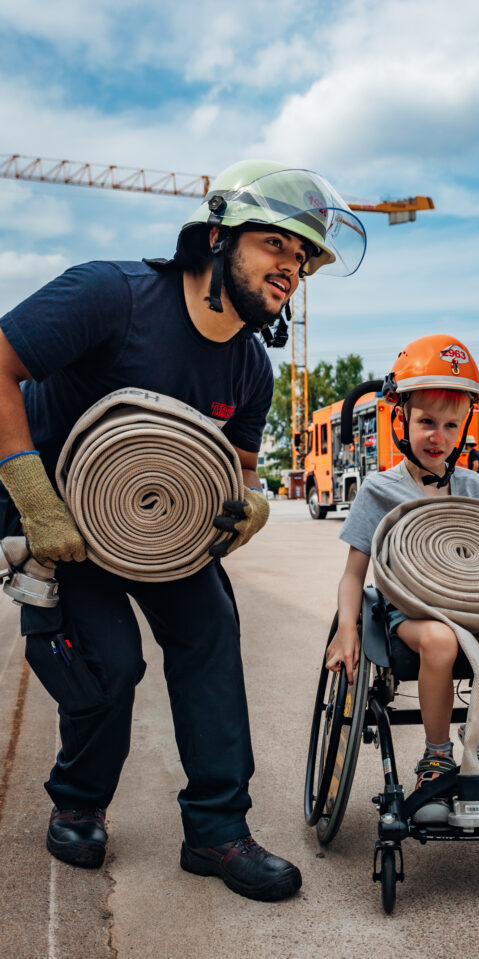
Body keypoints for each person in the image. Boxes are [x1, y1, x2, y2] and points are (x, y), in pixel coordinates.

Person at [0, 159, 366, 902]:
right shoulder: (111, 295)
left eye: (303, 260)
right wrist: (32, 497)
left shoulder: (250, 372)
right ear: (214, 237)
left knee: (209, 633)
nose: (290, 268)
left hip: (160, 527)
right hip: (58, 513)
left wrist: (249, 506)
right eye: (275, 245)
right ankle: (78, 801)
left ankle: (217, 833)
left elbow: (239, 471)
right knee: (109, 664)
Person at [325, 335, 479, 827]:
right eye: (426, 422)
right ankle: (437, 758)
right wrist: (346, 628)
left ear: (463, 427)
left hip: (474, 607)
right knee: (440, 640)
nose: (437, 436)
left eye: (449, 425)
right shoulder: (380, 489)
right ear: (401, 418)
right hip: (413, 614)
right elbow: (353, 574)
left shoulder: (473, 486)